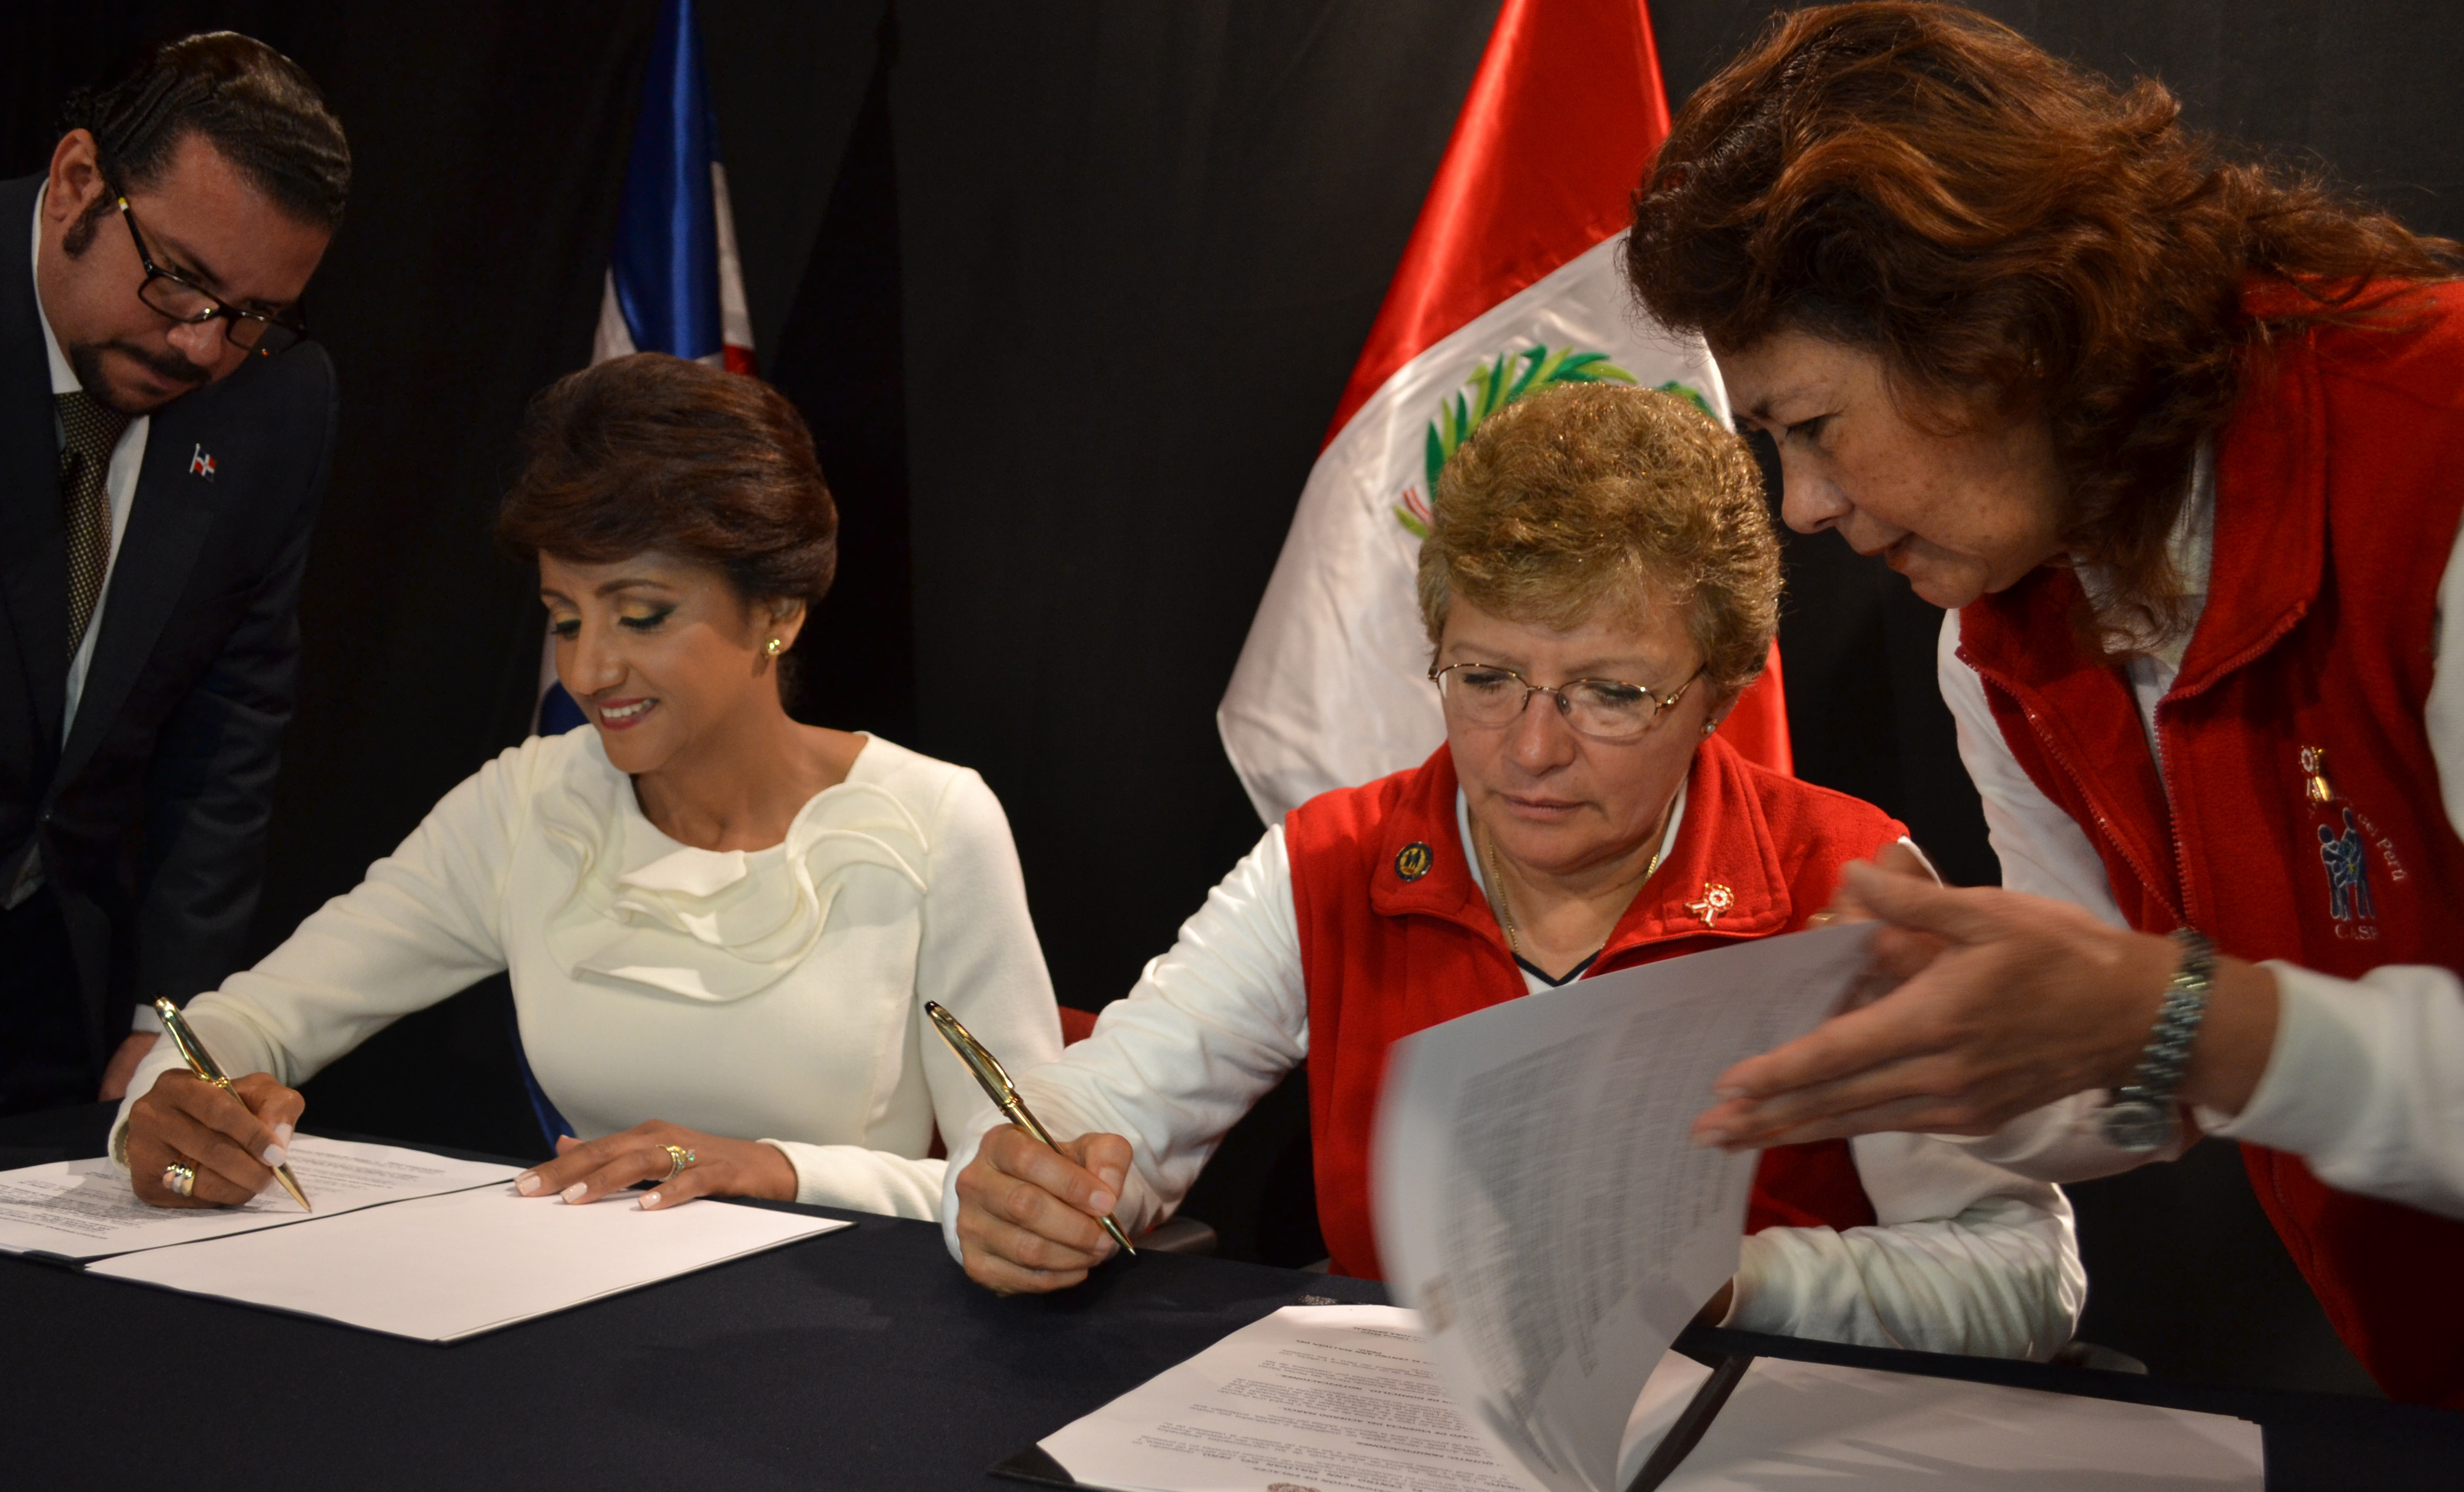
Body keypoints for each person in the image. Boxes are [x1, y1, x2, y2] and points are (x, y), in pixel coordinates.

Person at [1623, 2, 2464, 1405]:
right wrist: (1921, 1039)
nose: (1804, 507)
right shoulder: (1998, 640)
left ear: (1995, 335)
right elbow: (2126, 1085)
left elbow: (2173, 1025)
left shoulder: (2436, 456)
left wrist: (2179, 1016)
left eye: (1812, 427)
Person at [949, 383, 2083, 1360]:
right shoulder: (1331, 861)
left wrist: (1728, 1282)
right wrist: (1010, 1191)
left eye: (1610, 694)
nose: (1531, 750)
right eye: (1485, 679)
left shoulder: (1843, 881)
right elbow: (1098, 1112)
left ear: (1721, 692)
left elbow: (2023, 1276)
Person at [112, 353, 1062, 1221]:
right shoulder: (529, 804)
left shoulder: (932, 822)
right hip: (585, 1313)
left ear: (777, 610)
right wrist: (169, 1110)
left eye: (640, 616)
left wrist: (777, 1168)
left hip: (847, 1323)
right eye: (565, 619)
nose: (588, 670)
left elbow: (1035, 1185)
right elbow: (255, 1017)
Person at [0, 34, 348, 1140]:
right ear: (76, 184)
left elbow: (233, 715)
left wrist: (172, 1015)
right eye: (181, 279)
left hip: (54, 999)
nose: (203, 346)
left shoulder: (279, 397)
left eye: (253, 313)